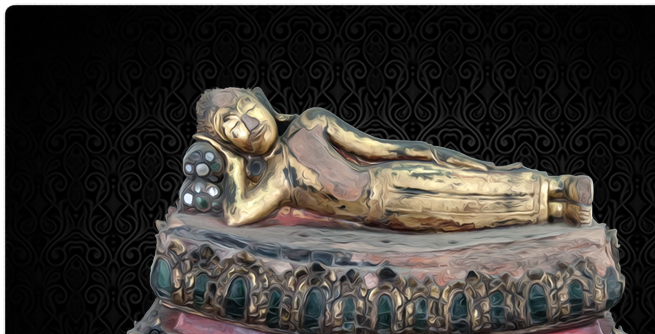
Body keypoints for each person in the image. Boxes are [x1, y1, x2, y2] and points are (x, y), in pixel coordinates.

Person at [192, 87, 592, 230]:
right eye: (232, 126)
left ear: (261, 101)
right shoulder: (279, 179)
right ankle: (556, 211)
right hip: (385, 209)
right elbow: (237, 215)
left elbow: (377, 147)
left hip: (389, 175)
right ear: (229, 143)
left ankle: (558, 186)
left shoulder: (311, 122)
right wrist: (232, 165)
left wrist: (429, 153)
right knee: (469, 212)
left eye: (247, 107)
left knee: (471, 183)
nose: (249, 123)